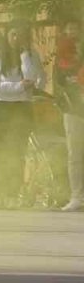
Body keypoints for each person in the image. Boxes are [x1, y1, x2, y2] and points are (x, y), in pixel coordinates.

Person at [0, 23, 44, 209]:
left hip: (22, 108)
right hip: (0, 109)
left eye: (21, 35)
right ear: (7, 36)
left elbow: (35, 80)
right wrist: (19, 87)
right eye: (13, 34)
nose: (16, 38)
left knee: (17, 152)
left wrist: (25, 55)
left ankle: (12, 194)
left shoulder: (32, 57)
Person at [60, 19, 84, 212]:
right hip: (73, 111)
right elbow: (60, 85)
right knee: (75, 155)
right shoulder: (62, 58)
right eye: (70, 30)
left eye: (77, 30)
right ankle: (77, 197)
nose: (74, 34)